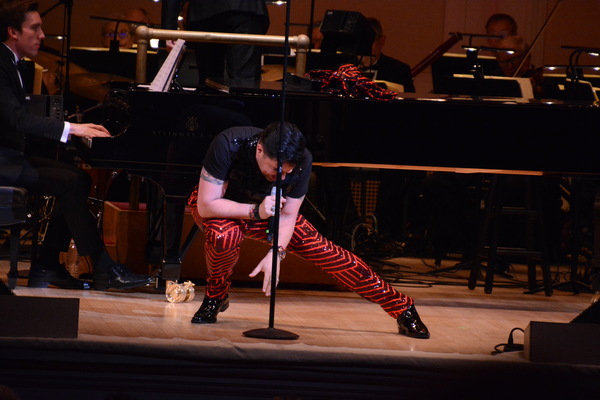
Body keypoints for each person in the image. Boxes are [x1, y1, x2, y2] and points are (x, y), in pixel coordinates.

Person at [186, 121, 430, 339]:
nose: (281, 176)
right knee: (224, 235)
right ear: (259, 150)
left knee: (326, 252)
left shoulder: (302, 160)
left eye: (287, 172)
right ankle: (216, 297)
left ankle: (402, 307)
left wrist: (276, 252)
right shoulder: (229, 143)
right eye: (276, 169)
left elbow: (289, 215)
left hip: (271, 212)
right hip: (224, 209)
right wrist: (255, 212)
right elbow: (207, 206)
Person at [0, 0, 154, 290]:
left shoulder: (10, 62)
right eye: (35, 28)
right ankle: (104, 268)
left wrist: (69, 127)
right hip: (4, 161)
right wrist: (72, 128)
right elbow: (16, 120)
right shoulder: (1, 62)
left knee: (77, 179)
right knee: (70, 181)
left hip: (10, 156)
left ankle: (46, 265)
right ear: (13, 32)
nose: (42, 35)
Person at [161, 0, 269, 86]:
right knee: (244, 82)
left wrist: (169, 28)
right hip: (245, 7)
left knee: (209, 83)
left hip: (204, 11)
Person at [358, 17, 415, 92]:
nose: (364, 46)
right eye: (360, 41)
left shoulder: (399, 70)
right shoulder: (342, 67)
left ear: (381, 41)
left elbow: (409, 102)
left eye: (370, 41)